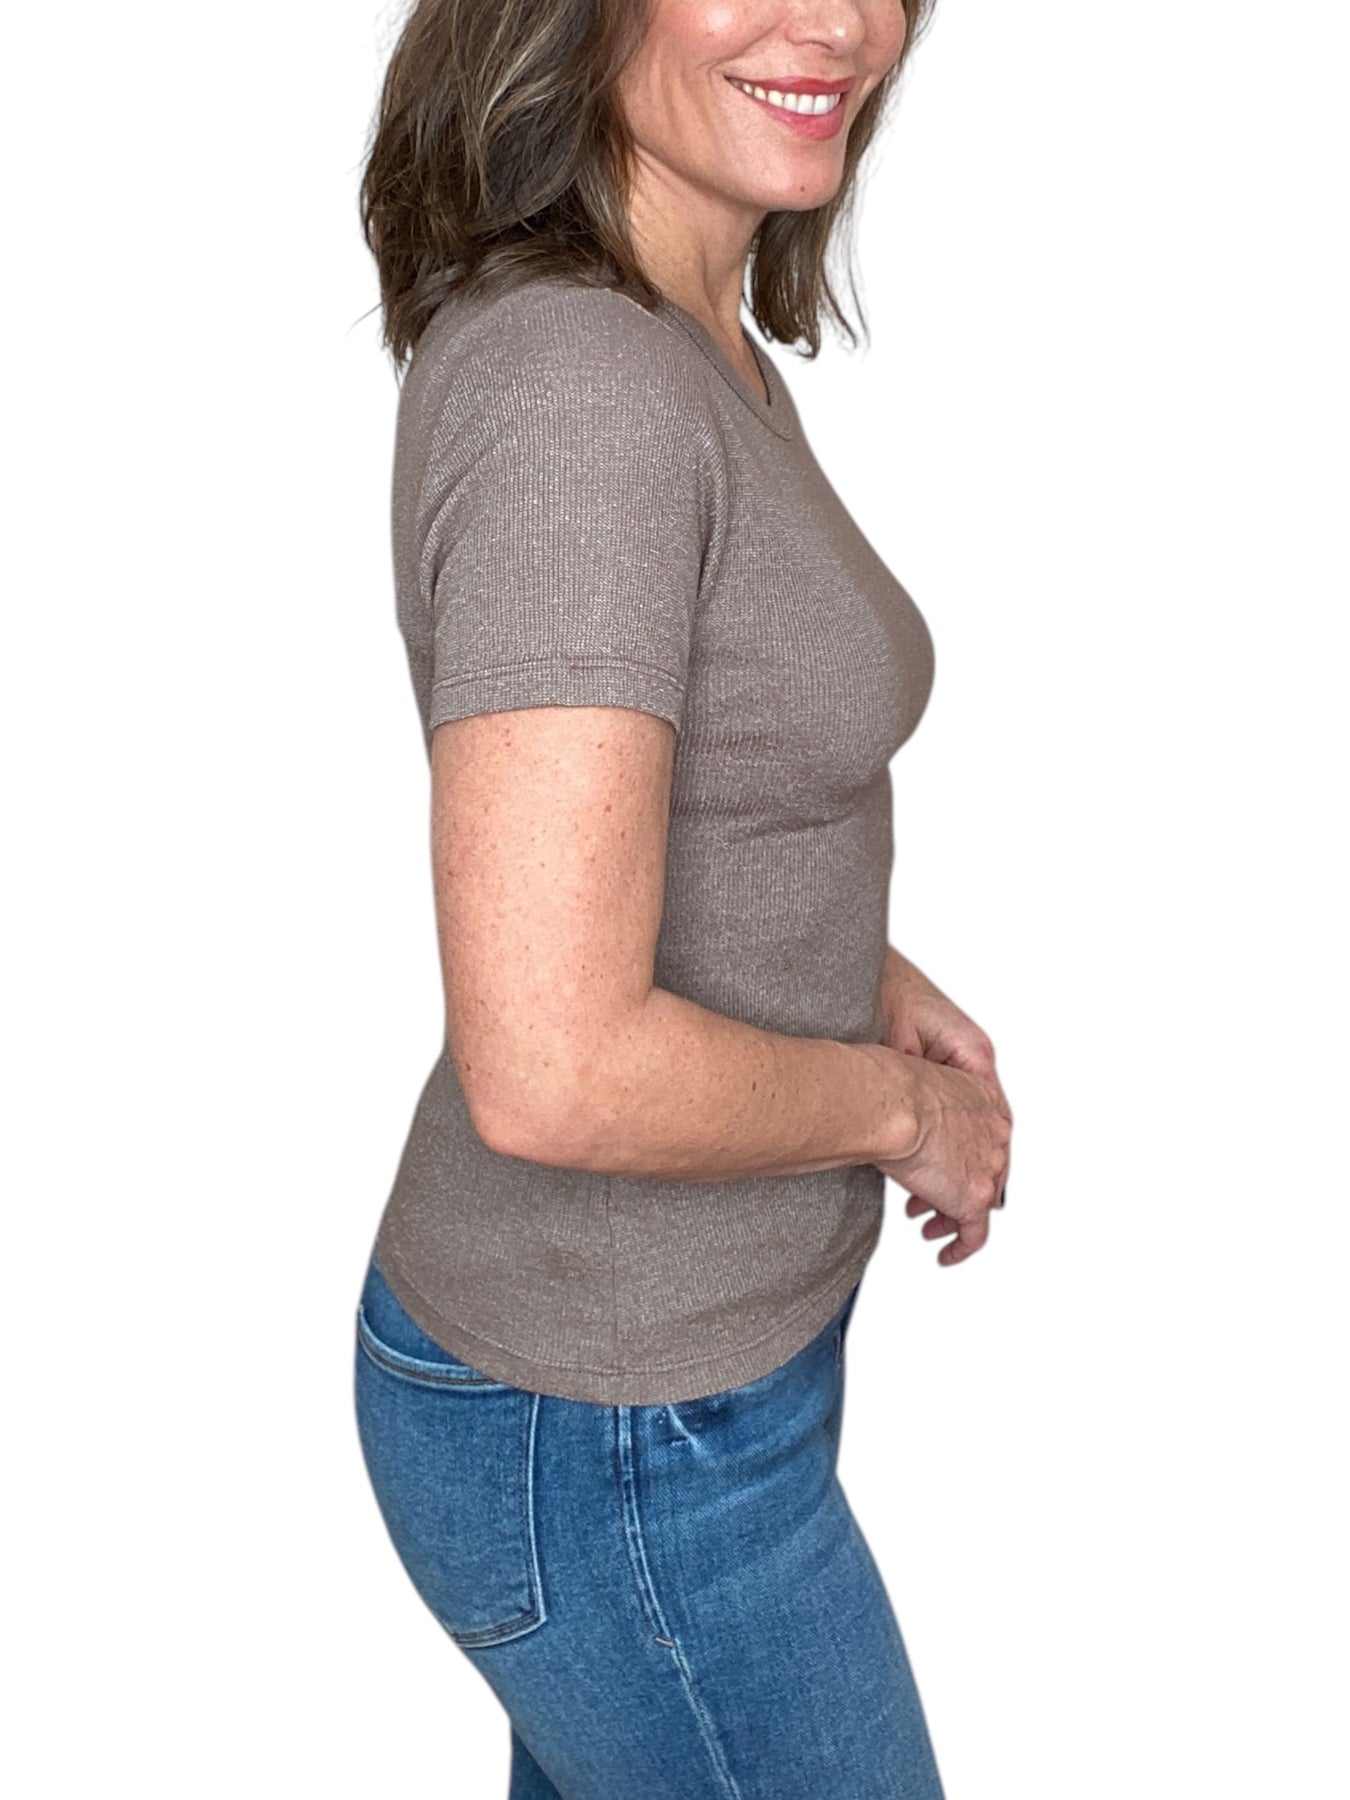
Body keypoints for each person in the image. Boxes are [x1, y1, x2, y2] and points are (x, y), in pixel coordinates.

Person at [351, 1, 1013, 1793]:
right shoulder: (583, 394)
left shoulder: (680, 337)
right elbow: (555, 1068)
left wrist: (857, 965)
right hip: (617, 1431)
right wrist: (908, 1116)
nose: (842, 23)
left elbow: (676, 798)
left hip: (669, 1392)